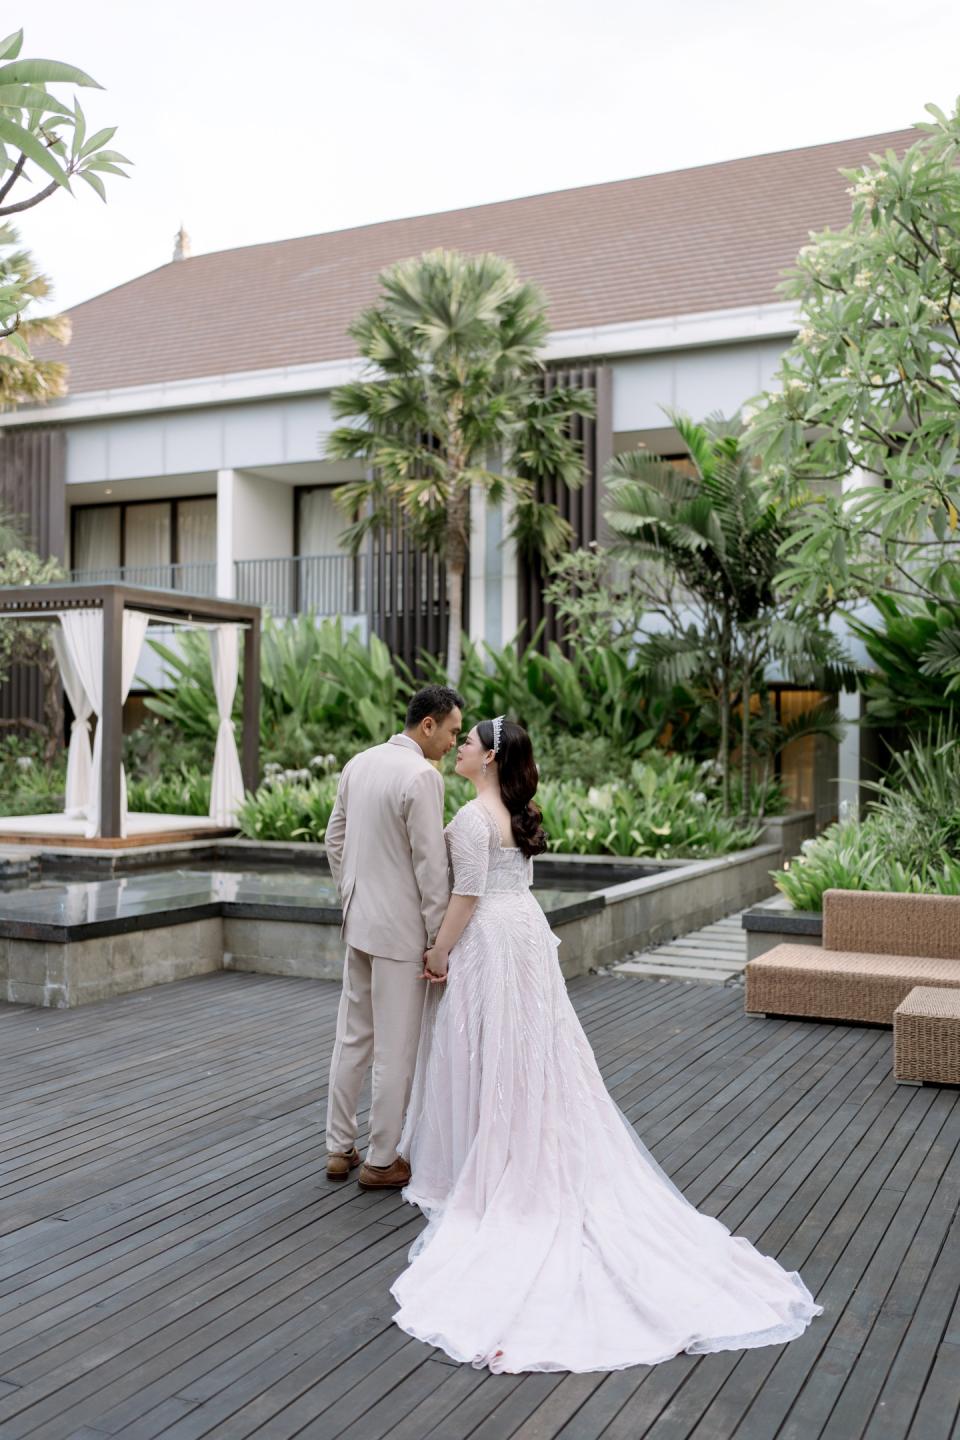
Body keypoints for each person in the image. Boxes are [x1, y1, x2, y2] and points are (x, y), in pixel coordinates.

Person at [392, 717, 822, 1373]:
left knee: (488, 1047)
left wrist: (439, 951)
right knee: (527, 1052)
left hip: (492, 941)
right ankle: (510, 1142)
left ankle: (490, 1160)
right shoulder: (514, 812)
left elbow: (468, 895)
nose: (461, 749)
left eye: (469, 743)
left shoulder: (473, 819)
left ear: (490, 757)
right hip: (525, 933)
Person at [323, 684, 463, 1190]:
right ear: (427, 725)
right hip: (401, 934)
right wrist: (438, 941)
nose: (453, 741)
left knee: (352, 1037)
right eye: (451, 731)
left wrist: (351, 894)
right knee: (395, 1049)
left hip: (359, 923)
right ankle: (382, 1160)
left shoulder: (358, 763)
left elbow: (334, 840)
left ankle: (339, 1147)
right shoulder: (422, 776)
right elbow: (430, 866)